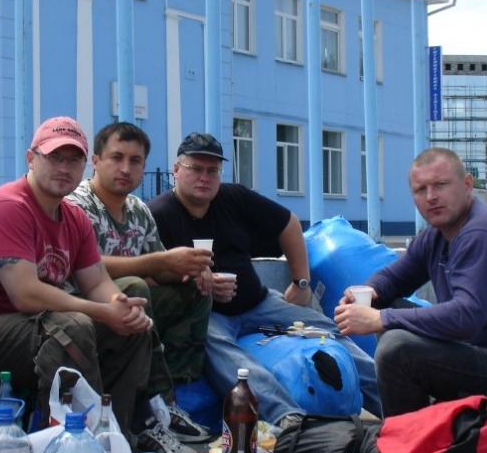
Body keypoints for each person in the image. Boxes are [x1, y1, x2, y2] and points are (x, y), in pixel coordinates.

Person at [0, 116, 172, 453]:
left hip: (32, 326)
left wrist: (120, 305)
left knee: (132, 330)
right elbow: (26, 295)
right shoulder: (8, 206)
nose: (64, 167)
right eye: (54, 157)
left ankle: (116, 441)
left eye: (73, 159)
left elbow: (95, 281)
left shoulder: (73, 217)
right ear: (31, 158)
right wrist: (101, 311)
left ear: (85, 165)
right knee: (71, 327)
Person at [148, 132, 381, 427]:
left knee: (329, 332)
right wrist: (194, 281)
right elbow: (147, 274)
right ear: (176, 170)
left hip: (259, 302)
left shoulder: (233, 197)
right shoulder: (158, 213)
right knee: (222, 353)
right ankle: (288, 420)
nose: (204, 177)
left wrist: (301, 283)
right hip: (209, 315)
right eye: (196, 168)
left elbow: (289, 224)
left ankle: (401, 406)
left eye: (212, 171)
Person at [333, 147, 487, 417]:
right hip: (485, 353)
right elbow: (393, 278)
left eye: (441, 185)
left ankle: (408, 450)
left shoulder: (484, 231)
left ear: (467, 184)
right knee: (386, 303)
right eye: (420, 190)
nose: (431, 197)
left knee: (397, 349)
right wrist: (368, 292)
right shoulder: (435, 235)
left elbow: (466, 316)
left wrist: (380, 318)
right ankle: (422, 432)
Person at [67, 121, 214, 453]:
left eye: (135, 161)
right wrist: (160, 261)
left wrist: (190, 268)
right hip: (83, 306)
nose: (125, 168)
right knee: (133, 289)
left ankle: (169, 404)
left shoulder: (138, 209)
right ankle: (148, 413)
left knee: (192, 289)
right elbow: (87, 268)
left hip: (130, 304)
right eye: (116, 158)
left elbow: (158, 268)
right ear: (96, 160)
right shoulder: (78, 206)